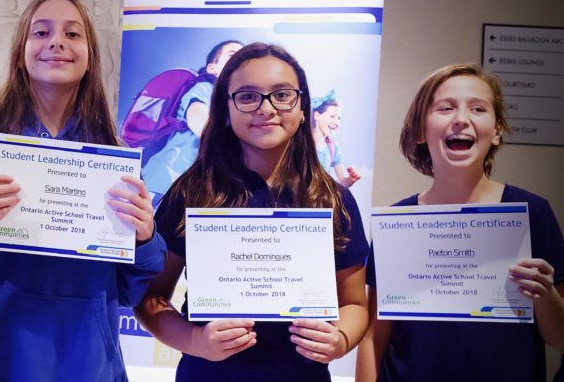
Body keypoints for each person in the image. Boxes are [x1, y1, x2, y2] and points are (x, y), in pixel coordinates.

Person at [0, 0, 166, 381]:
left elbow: (132, 292)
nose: (57, 43)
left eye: (72, 34)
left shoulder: (115, 157)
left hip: (89, 364)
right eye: (41, 32)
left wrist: (145, 240)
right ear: (21, 51)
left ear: (91, 56)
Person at [135, 43, 369, 381]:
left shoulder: (332, 199)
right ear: (225, 111)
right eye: (247, 97)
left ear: (303, 107)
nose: (266, 108)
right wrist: (195, 340)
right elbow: (150, 298)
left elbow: (355, 305)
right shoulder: (192, 192)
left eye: (282, 95)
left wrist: (340, 339)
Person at [355, 64, 564, 381]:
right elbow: (375, 335)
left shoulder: (532, 213)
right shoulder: (398, 223)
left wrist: (546, 296)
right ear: (421, 130)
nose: (461, 119)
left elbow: (559, 338)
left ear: (496, 131)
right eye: (445, 107)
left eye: (478, 108)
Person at [137, 40, 243, 206]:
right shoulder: (206, 88)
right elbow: (199, 120)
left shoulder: (237, 102)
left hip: (192, 191)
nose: (240, 59)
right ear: (212, 69)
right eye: (232, 55)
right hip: (165, 184)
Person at [311, 90, 360, 187]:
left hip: (320, 199)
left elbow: (342, 182)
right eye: (332, 116)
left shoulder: (333, 148)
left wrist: (351, 179)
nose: (336, 122)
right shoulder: (301, 144)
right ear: (317, 116)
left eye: (339, 118)